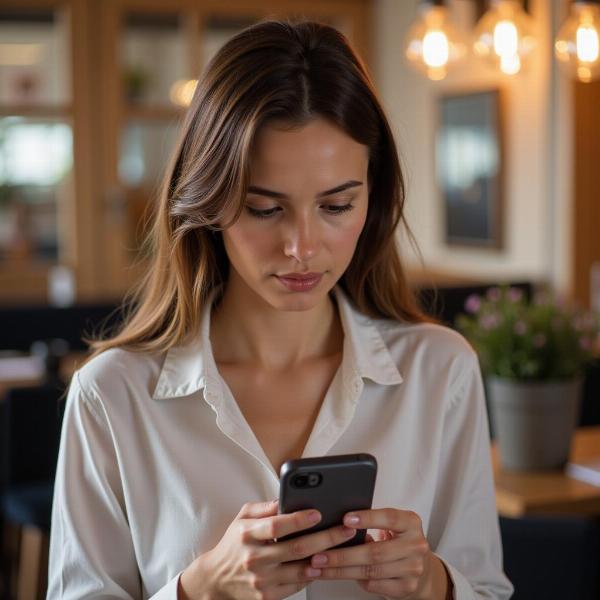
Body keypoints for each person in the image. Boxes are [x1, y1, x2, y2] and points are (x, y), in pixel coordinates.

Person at [47, 20, 514, 600]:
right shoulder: (112, 397)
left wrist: (433, 583)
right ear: (209, 202)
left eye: (337, 205)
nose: (301, 248)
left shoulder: (441, 371)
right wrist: (197, 591)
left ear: (373, 199)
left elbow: (487, 590)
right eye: (266, 209)